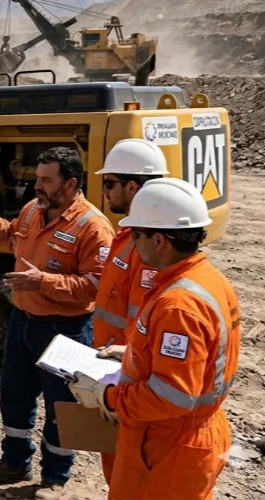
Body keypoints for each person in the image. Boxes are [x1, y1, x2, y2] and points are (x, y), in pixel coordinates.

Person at [0, 146, 114, 500]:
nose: (37, 185)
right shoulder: (32, 210)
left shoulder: (93, 226)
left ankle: (55, 478)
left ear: (70, 183)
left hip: (65, 331)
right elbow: (11, 237)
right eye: (37, 178)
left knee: (61, 406)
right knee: (15, 396)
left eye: (46, 180)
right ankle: (14, 463)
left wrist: (43, 282)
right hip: (23, 321)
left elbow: (97, 285)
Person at [69, 178, 240, 500]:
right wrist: (133, 353)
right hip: (177, 438)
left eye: (136, 235)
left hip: (168, 446)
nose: (132, 244)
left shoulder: (178, 306)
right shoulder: (206, 279)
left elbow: (173, 396)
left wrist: (106, 396)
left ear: (159, 240)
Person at [90, 138, 168, 483]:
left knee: (133, 472)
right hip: (115, 367)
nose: (105, 192)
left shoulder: (148, 246)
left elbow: (147, 318)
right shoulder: (129, 236)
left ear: (132, 186)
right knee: (117, 468)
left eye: (109, 184)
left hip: (131, 378)